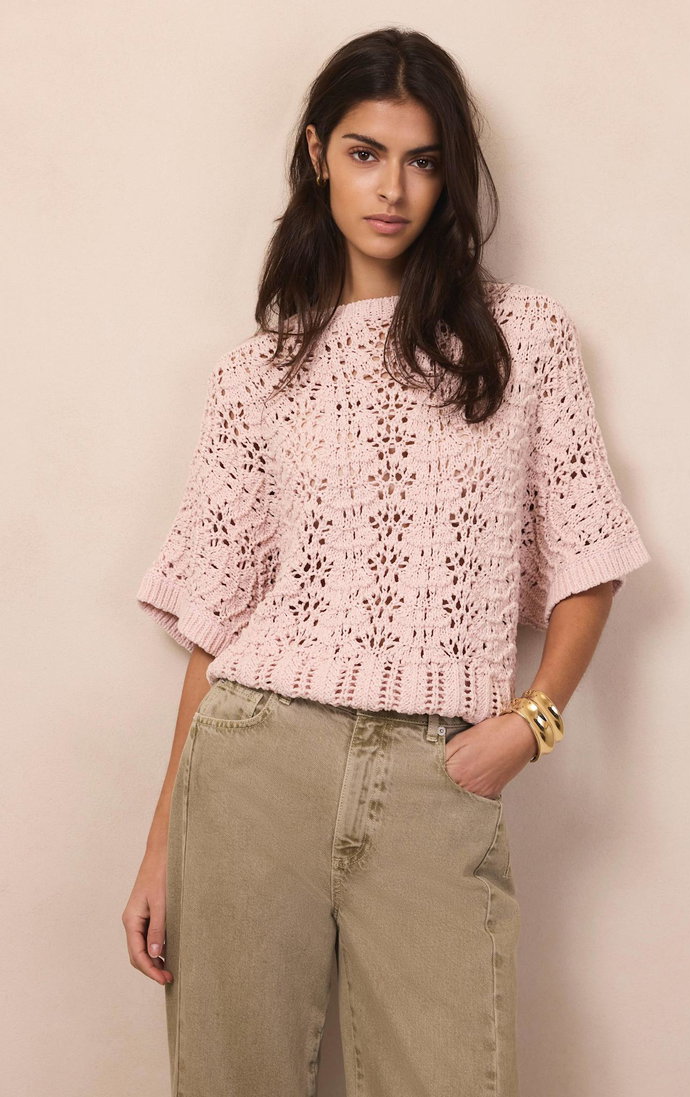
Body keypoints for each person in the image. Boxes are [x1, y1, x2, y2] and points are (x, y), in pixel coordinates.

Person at [121, 26, 651, 1097]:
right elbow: (215, 625)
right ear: (319, 152)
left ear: (450, 173)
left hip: (434, 777)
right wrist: (160, 843)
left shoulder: (523, 339)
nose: (393, 189)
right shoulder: (257, 375)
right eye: (366, 153)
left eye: (422, 159)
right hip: (253, 766)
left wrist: (532, 723)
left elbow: (588, 559)